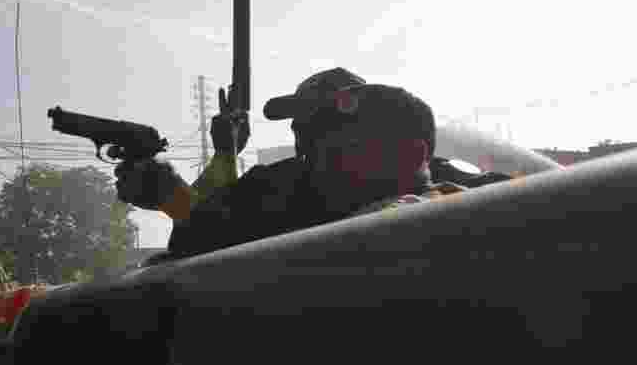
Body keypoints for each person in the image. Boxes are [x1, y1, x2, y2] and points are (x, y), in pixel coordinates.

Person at [115, 68, 465, 258]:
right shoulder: (282, 188)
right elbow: (204, 230)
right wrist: (223, 155)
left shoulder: (445, 200)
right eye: (302, 127)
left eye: (325, 127)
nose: (304, 137)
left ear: (409, 156)